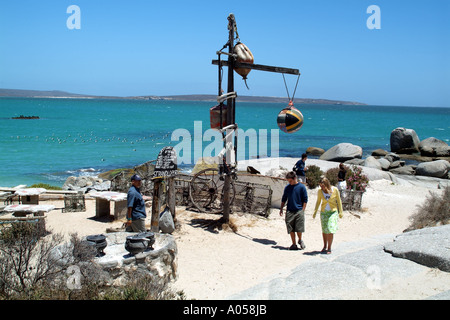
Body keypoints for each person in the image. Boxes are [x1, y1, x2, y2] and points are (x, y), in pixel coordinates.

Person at [313, 177, 343, 254]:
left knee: (331, 229)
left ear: (326, 184)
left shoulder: (335, 190)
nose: (321, 187)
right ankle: (324, 246)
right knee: (324, 230)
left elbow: (339, 201)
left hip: (332, 212)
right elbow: (318, 202)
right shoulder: (320, 191)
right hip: (324, 212)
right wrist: (315, 211)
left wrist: (340, 212)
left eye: (322, 186)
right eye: (320, 186)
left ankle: (329, 247)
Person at [279, 171, 308, 250]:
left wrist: (303, 210)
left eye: (290, 181)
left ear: (295, 178)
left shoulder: (301, 187)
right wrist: (281, 208)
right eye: (288, 181)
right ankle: (294, 244)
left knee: (299, 228)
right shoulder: (287, 187)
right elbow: (284, 198)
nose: (290, 183)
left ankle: (300, 240)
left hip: (299, 210)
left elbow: (305, 199)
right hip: (289, 210)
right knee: (290, 228)